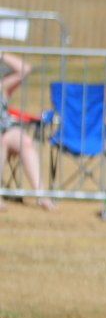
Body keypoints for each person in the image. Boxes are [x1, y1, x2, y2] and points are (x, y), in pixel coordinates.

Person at [0, 52, 54, 210]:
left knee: (26, 142)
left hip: (5, 128)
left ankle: (41, 196)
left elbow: (25, 69)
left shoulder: (2, 86)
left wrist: (2, 54)